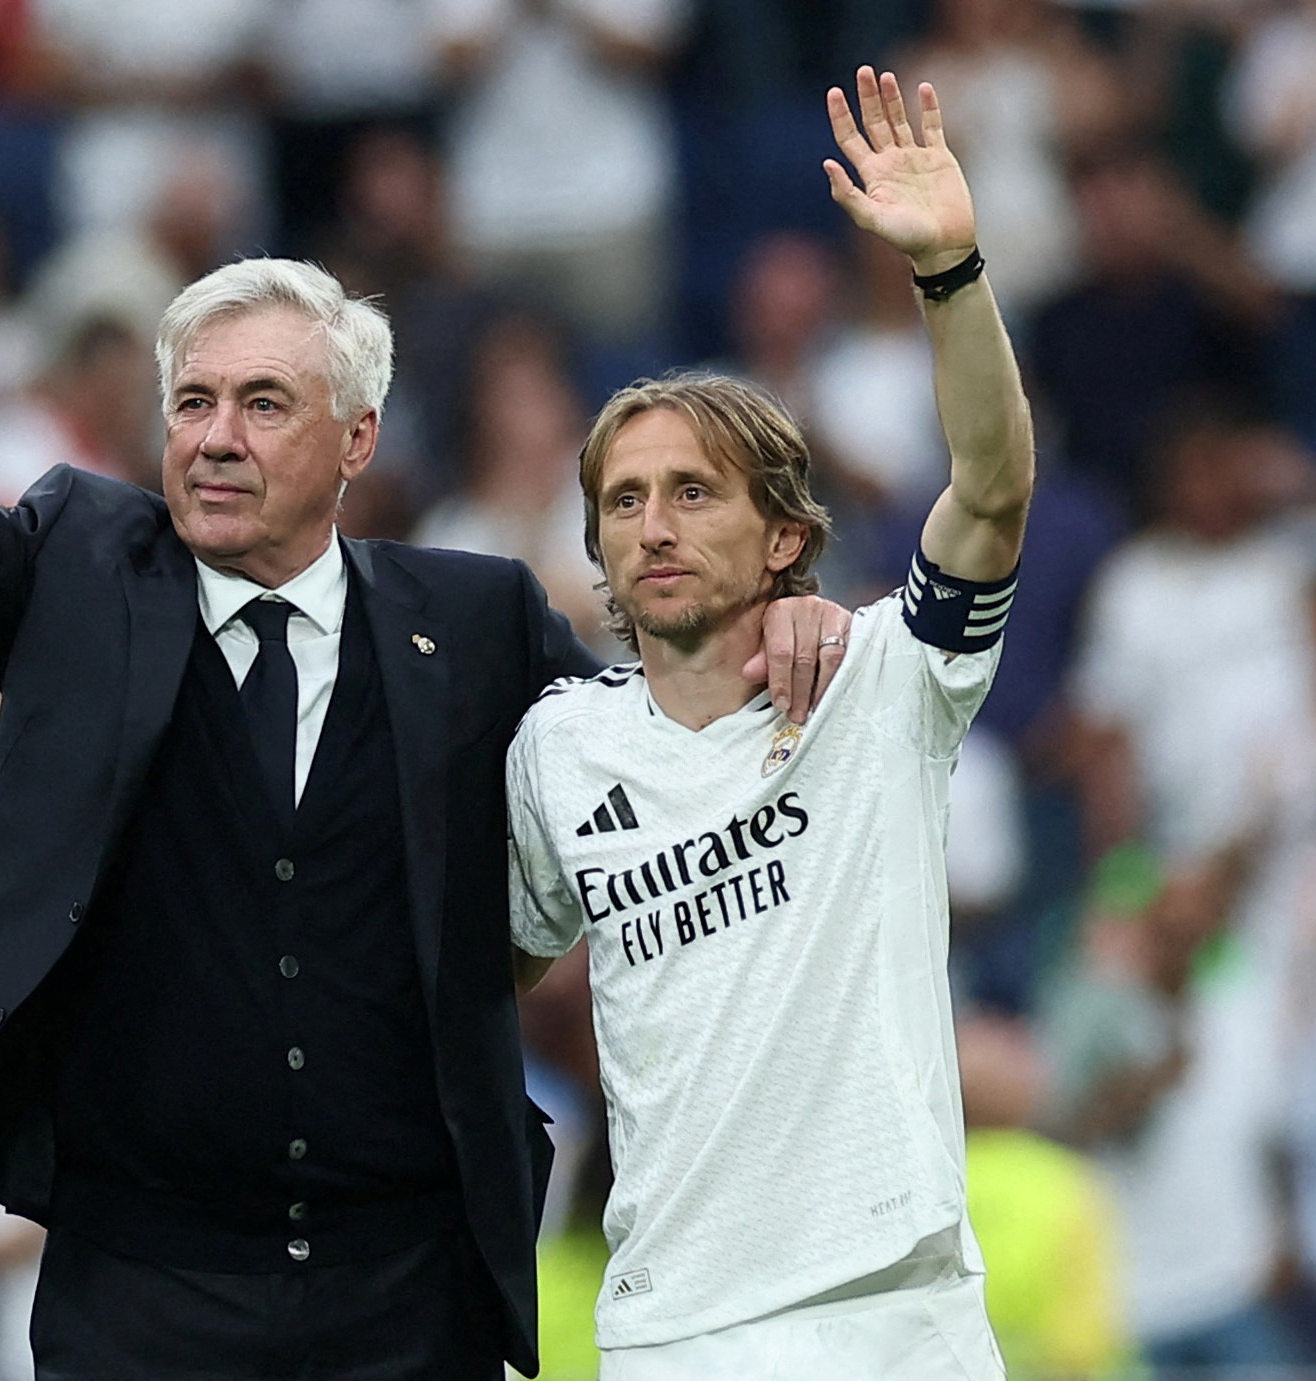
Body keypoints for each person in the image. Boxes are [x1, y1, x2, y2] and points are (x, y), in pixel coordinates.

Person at [0, 78, 852, 1380]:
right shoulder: (80, 571)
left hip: (407, 1289)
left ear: (357, 436)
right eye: (192, 402)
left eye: (263, 403)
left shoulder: (475, 618)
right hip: (140, 1288)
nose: (214, 437)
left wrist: (778, 618)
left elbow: (659, 735)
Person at [507, 68, 1034, 1378]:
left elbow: (993, 488)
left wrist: (951, 271)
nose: (654, 523)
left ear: (787, 535)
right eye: (624, 502)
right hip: (670, 1329)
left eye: (693, 490)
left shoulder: (884, 682)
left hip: (894, 1311)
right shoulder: (555, 752)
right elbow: (471, 974)